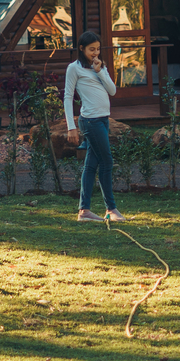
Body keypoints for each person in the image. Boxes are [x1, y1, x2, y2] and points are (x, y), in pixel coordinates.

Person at [65, 31, 125, 223]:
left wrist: (100, 71)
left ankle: (84, 211)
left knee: (91, 165)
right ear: (81, 49)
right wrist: (71, 127)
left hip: (103, 120)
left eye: (98, 49)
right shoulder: (74, 68)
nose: (95, 53)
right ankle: (111, 209)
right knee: (106, 161)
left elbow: (113, 91)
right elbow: (67, 97)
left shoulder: (99, 66)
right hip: (89, 121)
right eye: (91, 49)